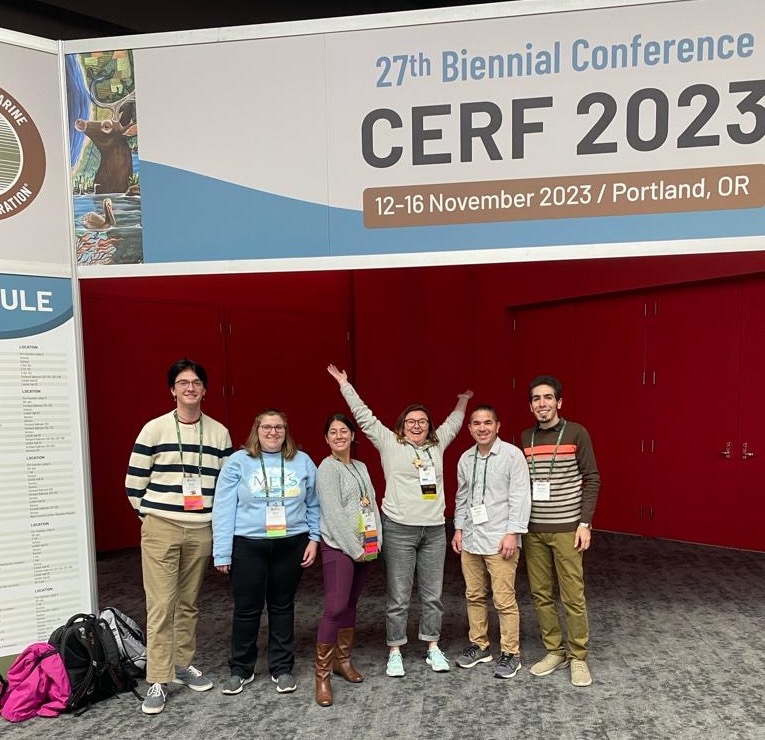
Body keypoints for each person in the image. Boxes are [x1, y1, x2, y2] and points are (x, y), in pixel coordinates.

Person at [327, 363, 472, 677]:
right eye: (411, 421)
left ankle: (433, 646)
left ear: (429, 426)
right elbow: (363, 415)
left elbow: (455, 422)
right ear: (402, 425)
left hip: (434, 530)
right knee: (399, 594)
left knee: (433, 594)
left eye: (422, 421)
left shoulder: (437, 444)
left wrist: (463, 400)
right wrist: (344, 385)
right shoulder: (388, 442)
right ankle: (395, 650)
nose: (417, 426)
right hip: (398, 528)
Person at [125, 359, 233, 715]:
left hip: (201, 528)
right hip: (162, 527)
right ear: (172, 389)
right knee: (161, 604)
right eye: (183, 383)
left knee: (188, 603)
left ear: (204, 389)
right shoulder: (154, 429)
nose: (190, 388)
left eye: (196, 382)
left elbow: (226, 485)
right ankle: (158, 677)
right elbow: (133, 483)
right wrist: (153, 517)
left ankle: (183, 665)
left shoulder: (218, 433)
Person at [212, 409, 319, 696]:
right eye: (267, 427)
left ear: (286, 431)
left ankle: (282, 668)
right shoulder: (238, 462)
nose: (273, 432)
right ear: (256, 430)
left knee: (283, 607)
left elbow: (314, 504)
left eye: (279, 427)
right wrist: (222, 552)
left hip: (292, 542)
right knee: (247, 609)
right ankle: (240, 669)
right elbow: (223, 508)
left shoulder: (302, 461)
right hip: (247, 544)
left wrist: (314, 538)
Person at [521, 375, 601, 688]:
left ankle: (578, 656)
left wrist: (585, 523)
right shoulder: (526, 437)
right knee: (540, 595)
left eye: (548, 398)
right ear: (531, 405)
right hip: (534, 530)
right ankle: (554, 651)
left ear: (559, 402)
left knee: (572, 595)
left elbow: (592, 478)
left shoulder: (577, 432)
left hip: (568, 528)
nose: (542, 404)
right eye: (536, 399)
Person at [451, 404, 531, 679]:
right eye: (476, 423)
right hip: (472, 539)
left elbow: (521, 496)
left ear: (498, 426)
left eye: (487, 423)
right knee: (473, 595)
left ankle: (511, 653)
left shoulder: (512, 456)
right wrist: (459, 528)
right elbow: (462, 497)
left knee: (503, 600)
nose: (482, 428)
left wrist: (514, 533)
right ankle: (480, 645)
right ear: (470, 427)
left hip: (501, 540)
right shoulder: (465, 458)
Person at [314, 413, 382, 707]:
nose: (340, 436)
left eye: (344, 431)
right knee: (335, 607)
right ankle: (322, 675)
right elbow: (333, 514)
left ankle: (343, 661)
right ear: (326, 439)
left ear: (353, 436)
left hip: (365, 548)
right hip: (340, 548)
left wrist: (375, 540)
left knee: (352, 605)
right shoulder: (327, 469)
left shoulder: (361, 466)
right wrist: (355, 548)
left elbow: (371, 504)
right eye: (333, 432)